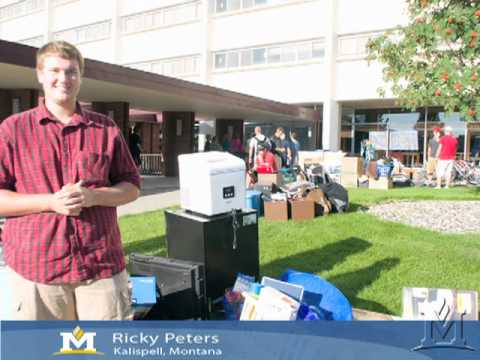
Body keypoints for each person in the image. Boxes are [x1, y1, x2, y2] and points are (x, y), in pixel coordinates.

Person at [0, 41, 140, 320]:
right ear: (40, 74)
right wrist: (51, 202)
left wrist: (94, 197)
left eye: (71, 71)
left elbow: (131, 187)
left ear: (80, 77)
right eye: (54, 70)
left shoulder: (105, 128)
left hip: (100, 268)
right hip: (37, 271)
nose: (63, 79)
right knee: (43, 351)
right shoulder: (12, 130)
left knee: (105, 350)